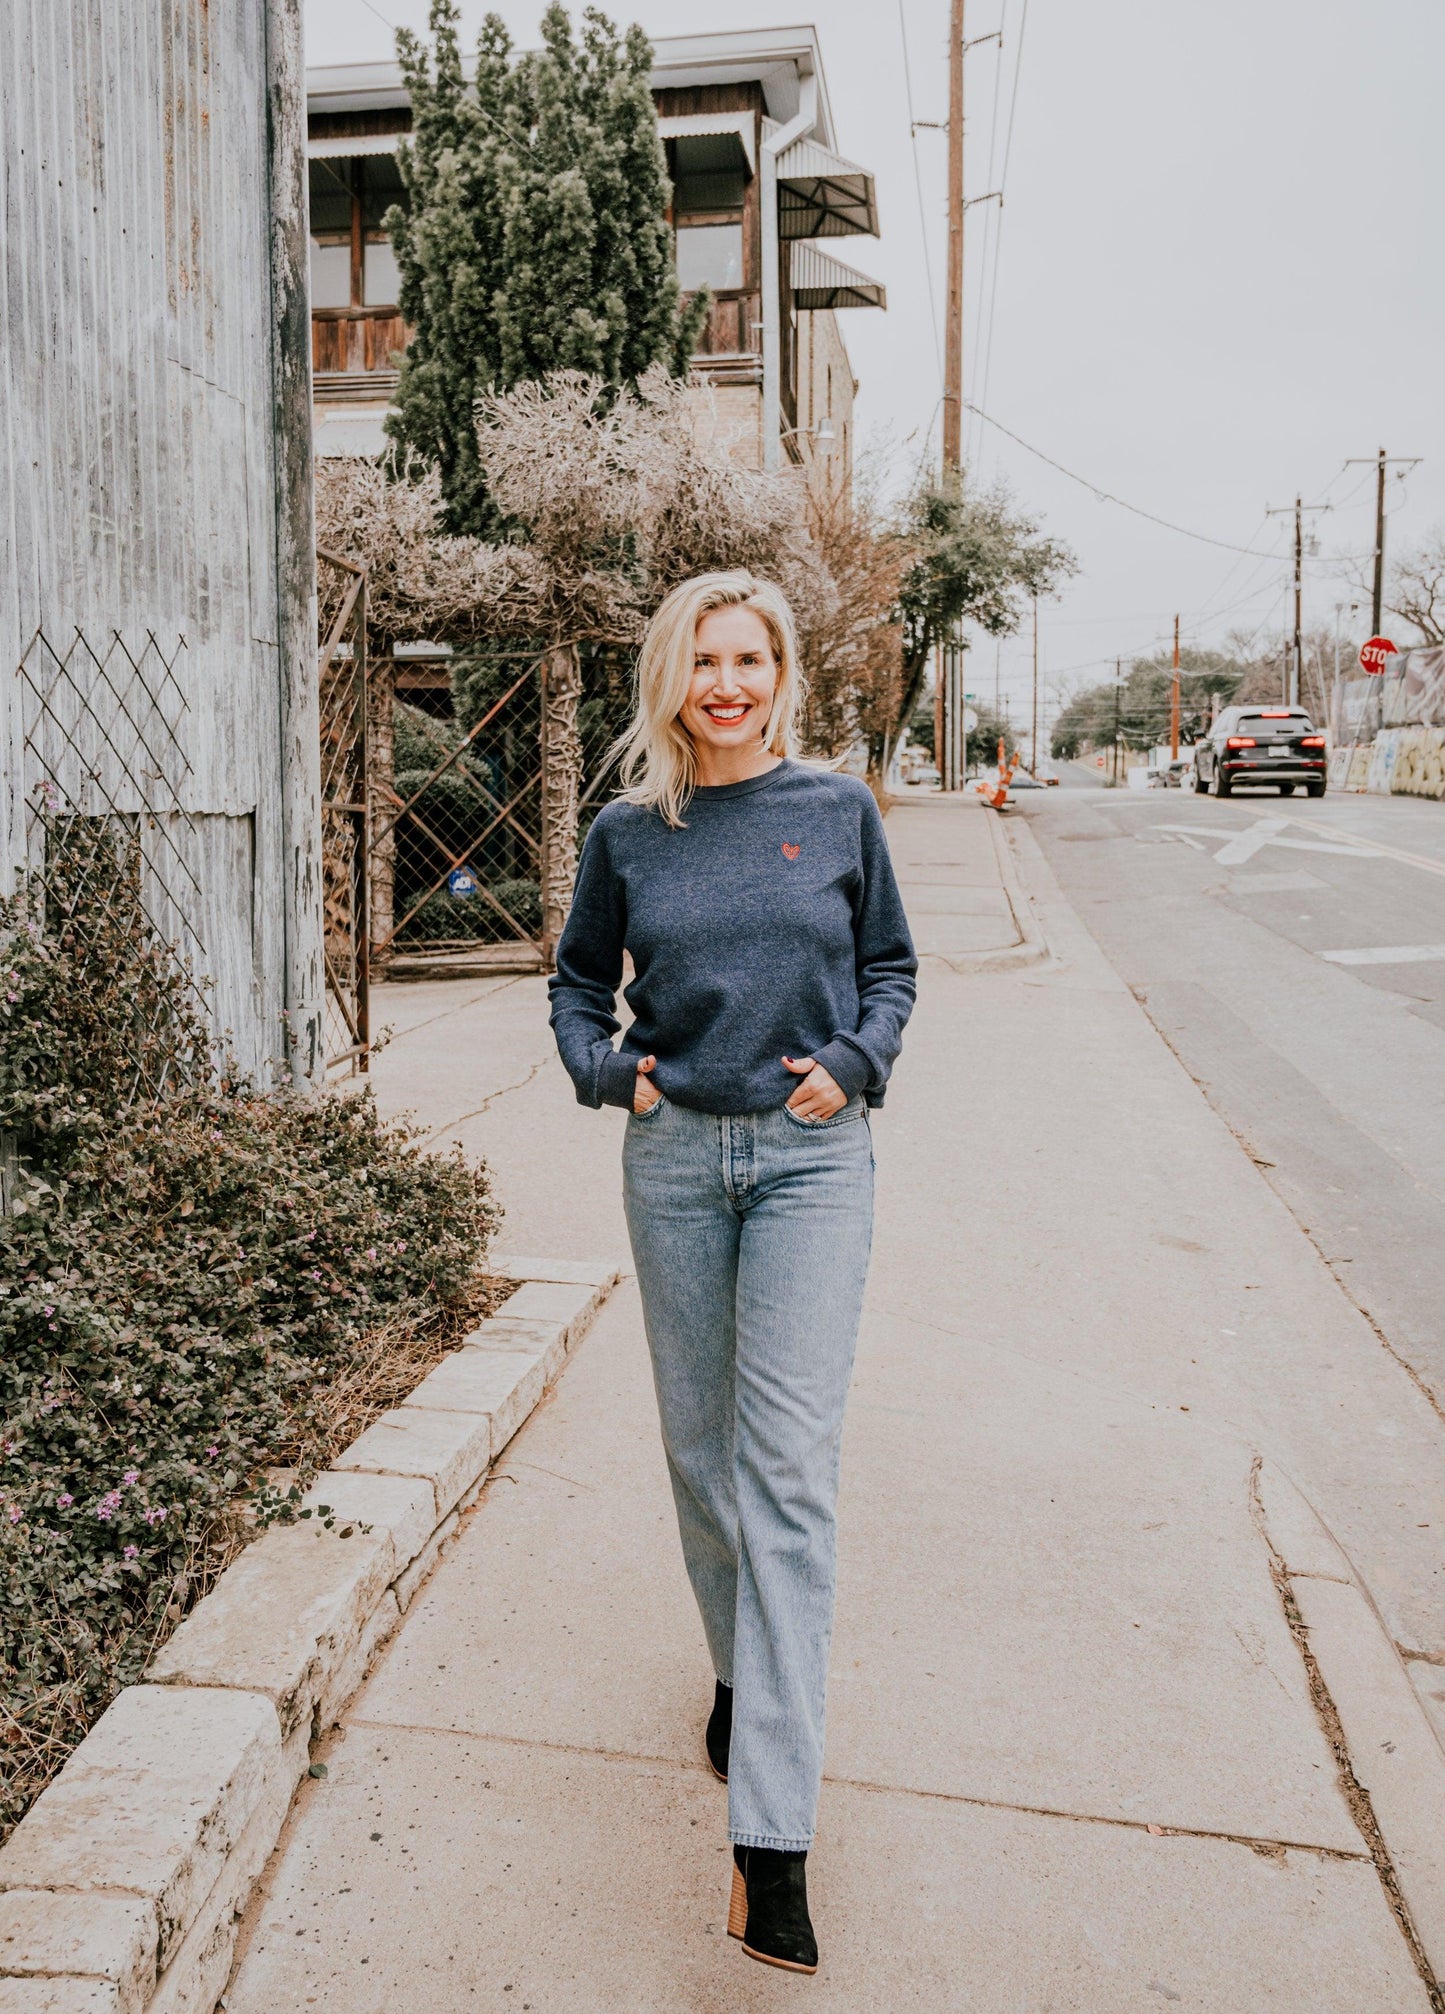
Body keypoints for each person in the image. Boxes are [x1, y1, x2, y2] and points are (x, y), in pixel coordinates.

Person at [548, 571, 916, 1974]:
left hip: (814, 1165)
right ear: (671, 676)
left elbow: (888, 965)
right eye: (703, 658)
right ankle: (736, 1668)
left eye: (748, 657)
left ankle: (770, 1843)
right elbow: (578, 982)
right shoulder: (631, 833)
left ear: (780, 673)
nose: (726, 681)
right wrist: (605, 1074)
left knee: (788, 1479)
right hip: (674, 1164)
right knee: (701, 1459)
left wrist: (859, 1062)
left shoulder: (835, 813)